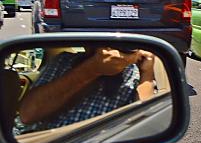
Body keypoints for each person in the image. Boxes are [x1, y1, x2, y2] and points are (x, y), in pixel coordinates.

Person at [18, 48, 156, 132]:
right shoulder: (63, 62)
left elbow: (145, 123)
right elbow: (28, 115)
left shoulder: (135, 73)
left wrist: (147, 74)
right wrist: (92, 69)